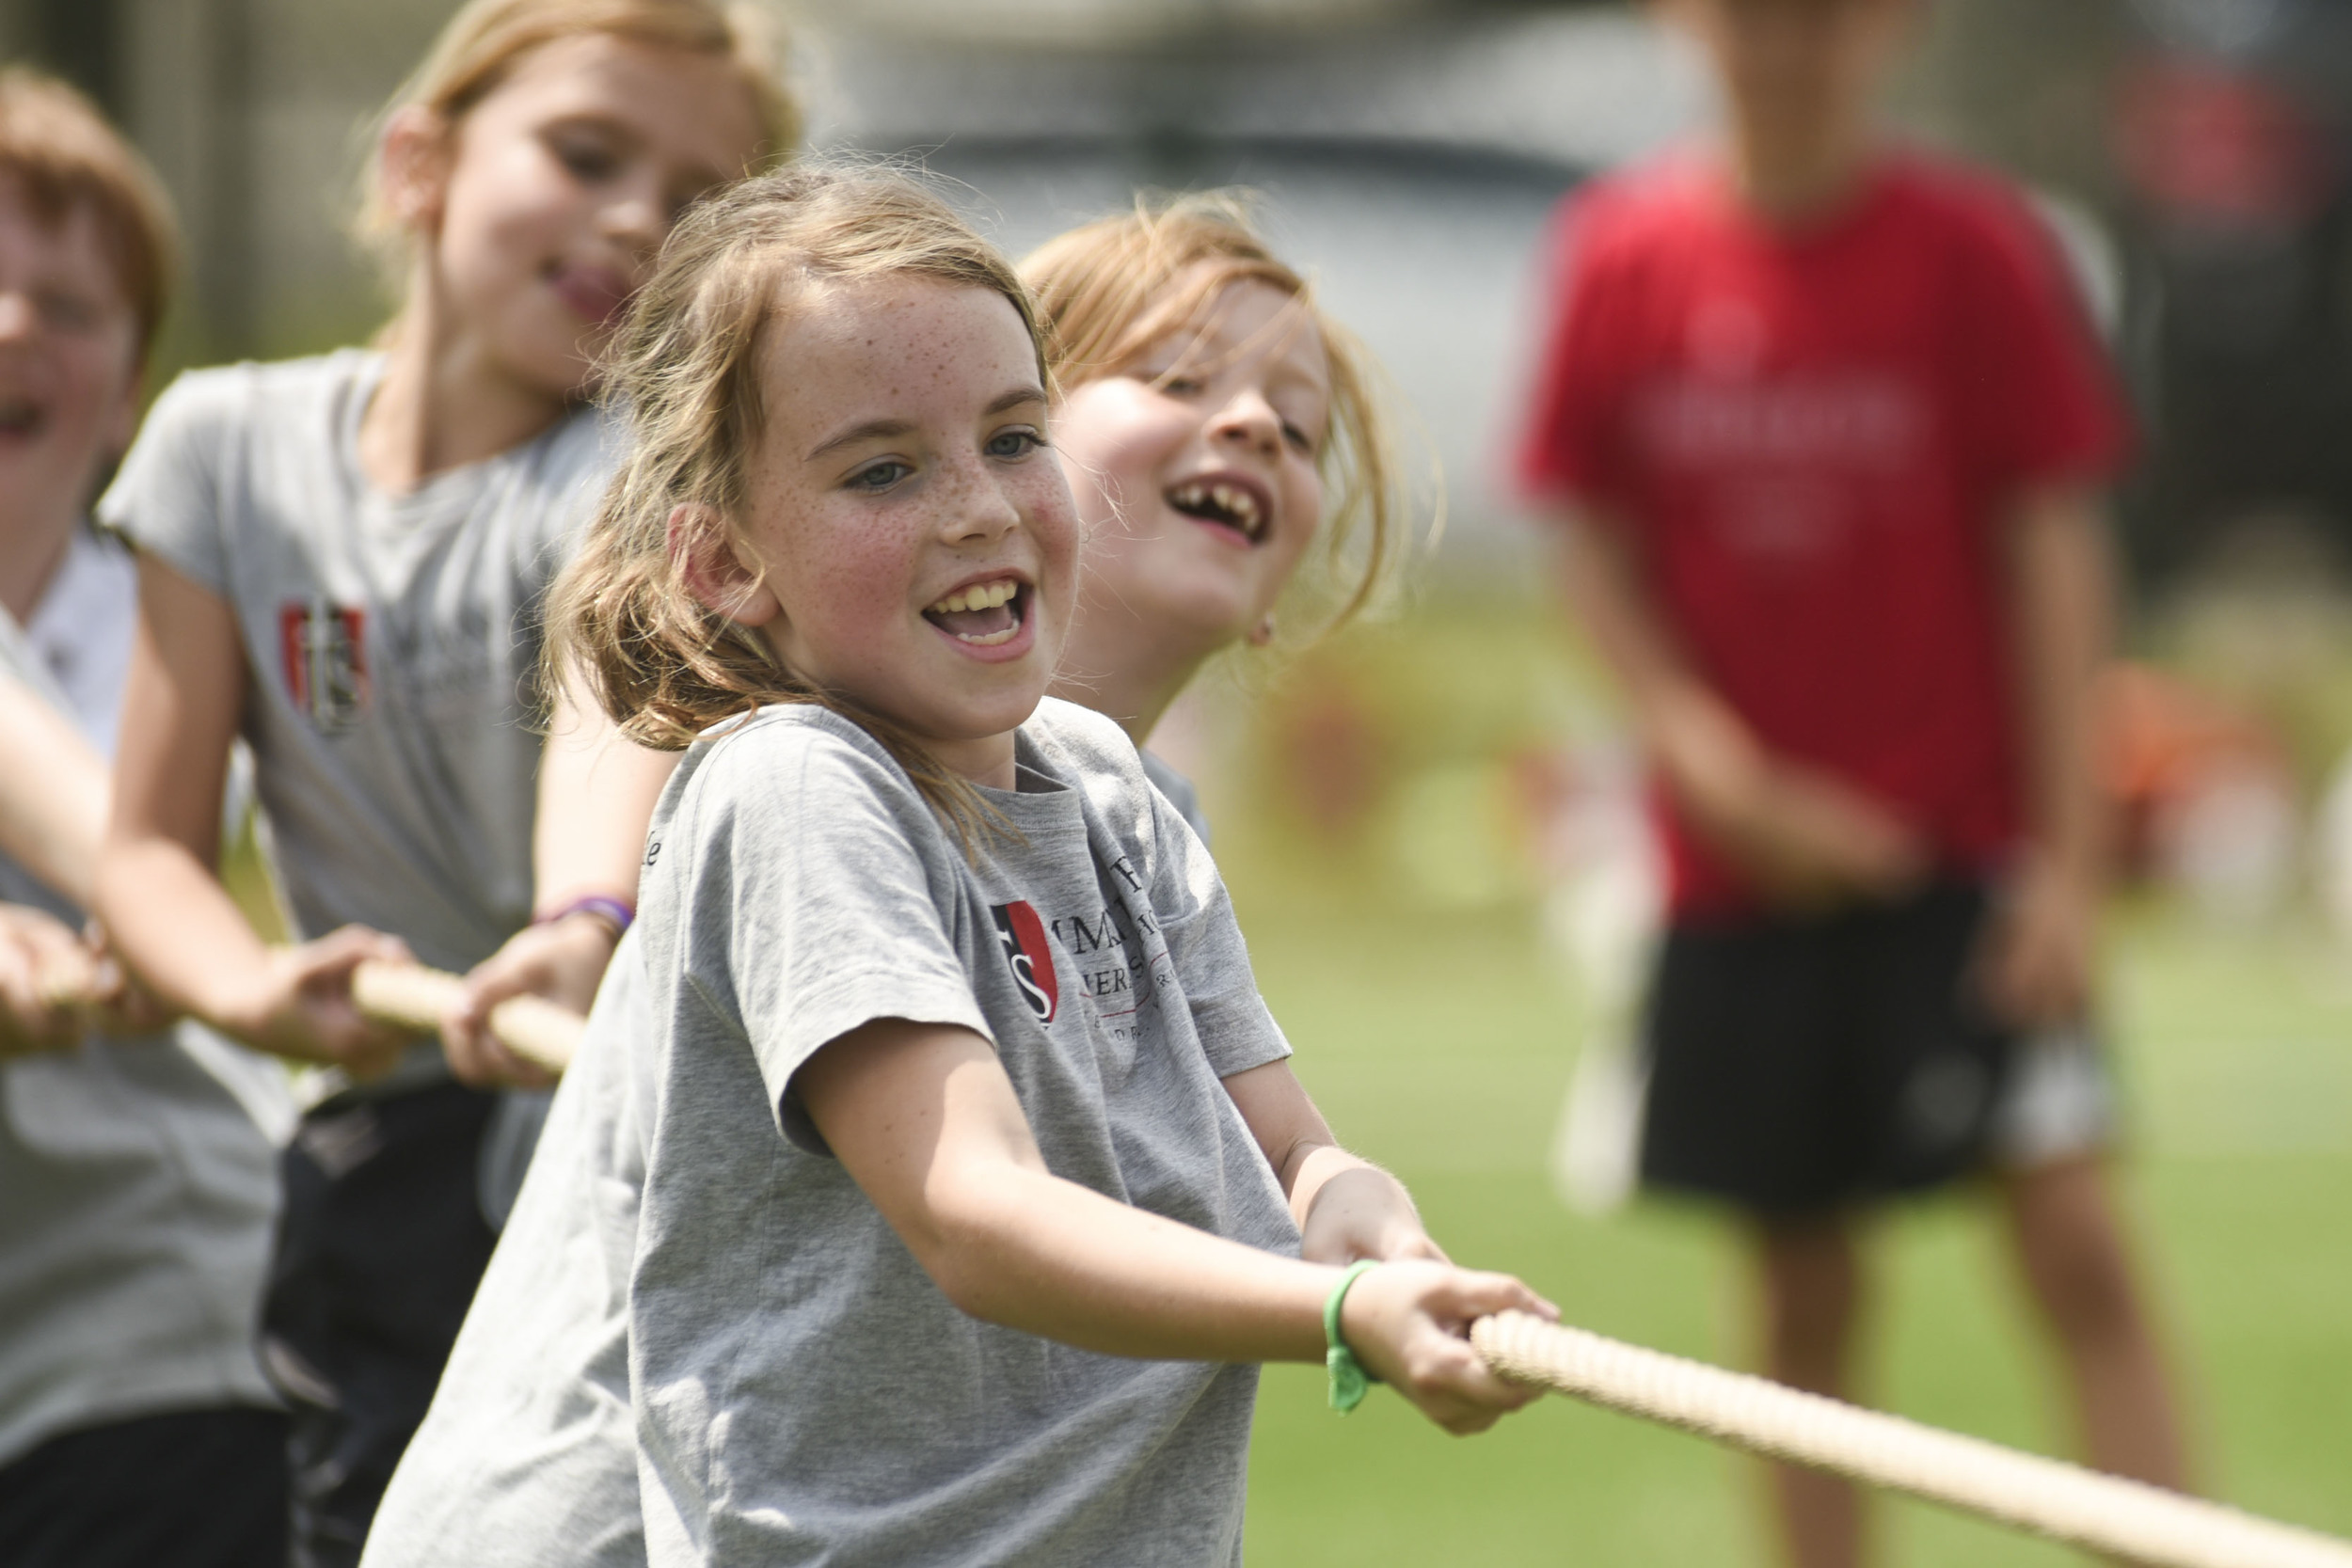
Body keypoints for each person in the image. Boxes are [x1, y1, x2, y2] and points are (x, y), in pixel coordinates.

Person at [363, 166, 1548, 1568]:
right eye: (884, 465)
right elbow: (976, 1212)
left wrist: (1362, 1222)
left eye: (1010, 436)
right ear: (726, 558)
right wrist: (1336, 1316)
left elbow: (1292, 1153)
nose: (978, 504)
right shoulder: (797, 783)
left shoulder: (1121, 803)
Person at [91, 4, 792, 1561]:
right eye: (587, 152)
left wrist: (579, 918)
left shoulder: (639, 480)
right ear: (422, 161)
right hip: (389, 1158)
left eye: (693, 200)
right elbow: (145, 849)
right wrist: (260, 996)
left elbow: (616, 707)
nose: (634, 216)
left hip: (631, 1150)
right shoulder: (224, 448)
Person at [1516, 1, 2190, 1564]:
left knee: (2077, 1239)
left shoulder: (1976, 250)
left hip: (1965, 853)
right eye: (1754, 14)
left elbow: (2056, 555)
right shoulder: (1621, 254)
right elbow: (1588, 547)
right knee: (1798, 1290)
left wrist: (2072, 868)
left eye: (1823, 15)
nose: (1785, 45)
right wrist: (1716, 768)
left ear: (1889, 28)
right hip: (1740, 874)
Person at [0, 69, 294, 1568]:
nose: (9, 328)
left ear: (124, 402)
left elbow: (145, 852)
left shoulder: (172, 639)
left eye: (64, 303)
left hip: (180, 1354)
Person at [1027, 191, 1408, 838]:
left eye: (1296, 430)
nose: (1258, 423)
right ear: (1006, 435)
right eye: (1178, 378)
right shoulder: (870, 776)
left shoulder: (1168, 836)